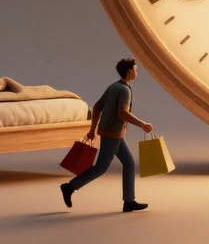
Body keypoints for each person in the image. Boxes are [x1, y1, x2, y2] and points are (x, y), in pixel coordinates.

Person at [61, 57, 153, 211]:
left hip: (114, 133)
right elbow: (123, 113)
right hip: (112, 134)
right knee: (101, 168)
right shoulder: (124, 90)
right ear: (129, 71)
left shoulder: (113, 86)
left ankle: (129, 201)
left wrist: (93, 130)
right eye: (135, 68)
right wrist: (142, 124)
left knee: (129, 163)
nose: (137, 71)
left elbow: (97, 107)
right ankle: (70, 187)